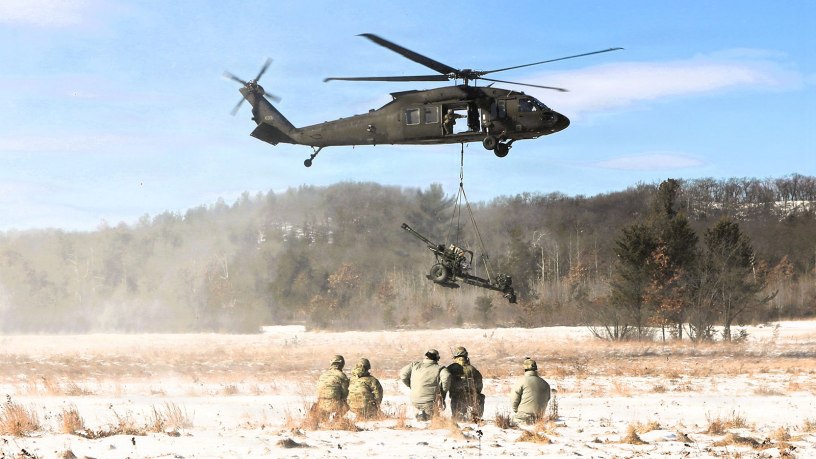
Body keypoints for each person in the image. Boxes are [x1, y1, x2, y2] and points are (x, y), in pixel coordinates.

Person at [399, 349, 451, 421]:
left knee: (419, 422)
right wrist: (443, 393)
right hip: (430, 401)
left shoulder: (414, 365)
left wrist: (411, 386)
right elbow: (447, 377)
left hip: (415, 400)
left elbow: (403, 375)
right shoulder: (440, 369)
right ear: (437, 358)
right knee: (430, 422)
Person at [446, 346, 484, 421]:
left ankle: (457, 416)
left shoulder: (450, 368)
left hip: (456, 398)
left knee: (458, 419)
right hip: (471, 398)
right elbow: (479, 385)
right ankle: (476, 416)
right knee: (480, 397)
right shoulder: (472, 369)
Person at [510, 358, 551, 425]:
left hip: (523, 418)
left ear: (525, 369)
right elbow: (548, 398)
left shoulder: (522, 381)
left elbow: (514, 398)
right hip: (539, 418)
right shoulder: (545, 383)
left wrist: (516, 411)